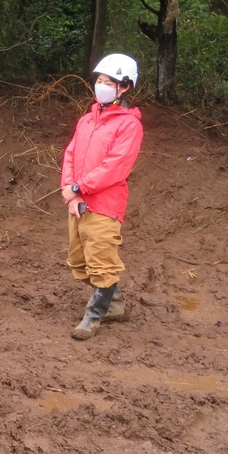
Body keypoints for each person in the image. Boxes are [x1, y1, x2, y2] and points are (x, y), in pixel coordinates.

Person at [60, 53, 144, 340]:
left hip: (105, 204)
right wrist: (69, 189)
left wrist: (78, 187)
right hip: (78, 201)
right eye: (100, 79)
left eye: (110, 81)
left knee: (102, 264)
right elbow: (70, 153)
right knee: (79, 264)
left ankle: (93, 317)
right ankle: (116, 303)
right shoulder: (86, 120)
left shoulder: (129, 125)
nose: (102, 85)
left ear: (125, 87)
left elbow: (115, 167)